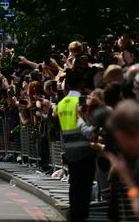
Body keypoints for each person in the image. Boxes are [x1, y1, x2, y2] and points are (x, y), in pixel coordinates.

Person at [55, 71, 95, 222]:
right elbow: (88, 124)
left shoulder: (61, 104)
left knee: (74, 187)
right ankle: (80, 217)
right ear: (81, 84)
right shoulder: (81, 101)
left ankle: (74, 216)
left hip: (69, 151)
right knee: (84, 189)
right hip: (85, 151)